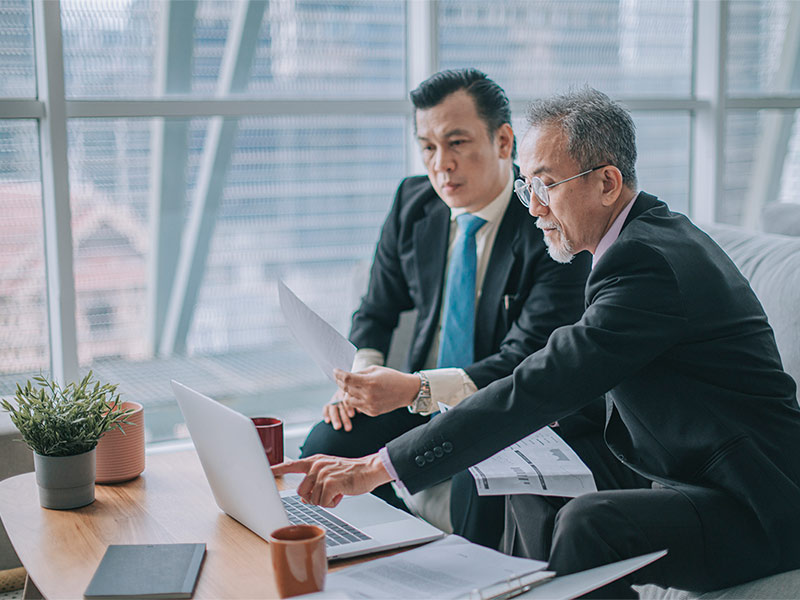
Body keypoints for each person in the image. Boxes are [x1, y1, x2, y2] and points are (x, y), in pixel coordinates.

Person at [276, 87, 800, 597]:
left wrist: (375, 467)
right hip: (677, 459)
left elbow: (546, 380)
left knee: (589, 522)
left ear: (607, 183)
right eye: (527, 186)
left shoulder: (649, 265)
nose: (533, 207)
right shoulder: (634, 242)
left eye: (546, 186)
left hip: (754, 503)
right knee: (523, 456)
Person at [298, 69, 631, 549]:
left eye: (456, 143)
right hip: (416, 395)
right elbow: (376, 310)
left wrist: (414, 388)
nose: (442, 165)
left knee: (471, 479)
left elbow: (524, 360)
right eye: (429, 147)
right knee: (323, 450)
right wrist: (362, 380)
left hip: (502, 406)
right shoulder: (414, 203)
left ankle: (447, 569)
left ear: (502, 141)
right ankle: (393, 553)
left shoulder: (548, 221)